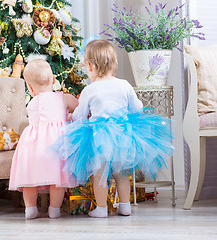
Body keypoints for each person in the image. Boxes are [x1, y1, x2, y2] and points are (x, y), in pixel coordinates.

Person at [52, 40, 174, 218]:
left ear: (90, 65)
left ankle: (101, 208)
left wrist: (72, 117)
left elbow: (80, 114)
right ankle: (125, 206)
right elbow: (138, 108)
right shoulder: (124, 85)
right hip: (122, 135)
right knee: (121, 173)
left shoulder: (90, 89)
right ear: (113, 63)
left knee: (99, 174)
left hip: (98, 137)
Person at [9, 59, 79, 219]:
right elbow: (79, 107)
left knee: (29, 179)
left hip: (32, 145)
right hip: (57, 144)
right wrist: (70, 116)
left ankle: (30, 209)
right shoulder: (63, 98)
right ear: (54, 80)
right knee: (58, 180)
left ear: (30, 88)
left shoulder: (32, 103)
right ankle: (54, 210)